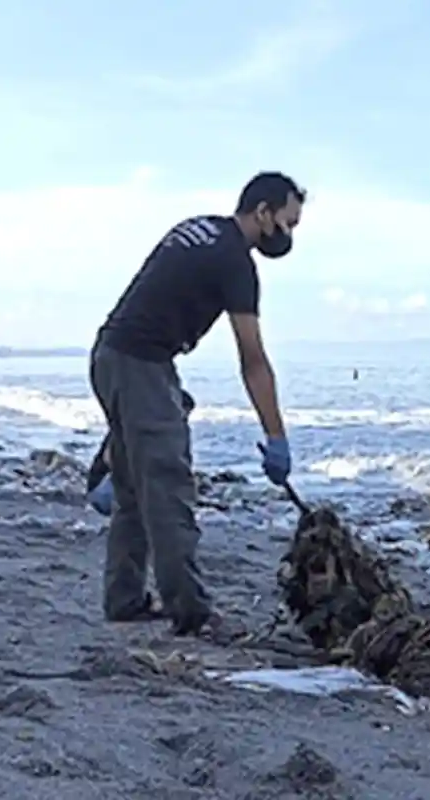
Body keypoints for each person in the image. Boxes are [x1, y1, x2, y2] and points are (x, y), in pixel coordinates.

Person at [90, 171, 305, 636]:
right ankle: (190, 611)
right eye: (287, 223)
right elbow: (253, 360)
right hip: (141, 362)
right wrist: (276, 436)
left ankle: (124, 599)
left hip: (111, 354)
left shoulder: (199, 228)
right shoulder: (236, 263)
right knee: (168, 485)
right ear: (262, 212)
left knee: (133, 489)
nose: (288, 236)